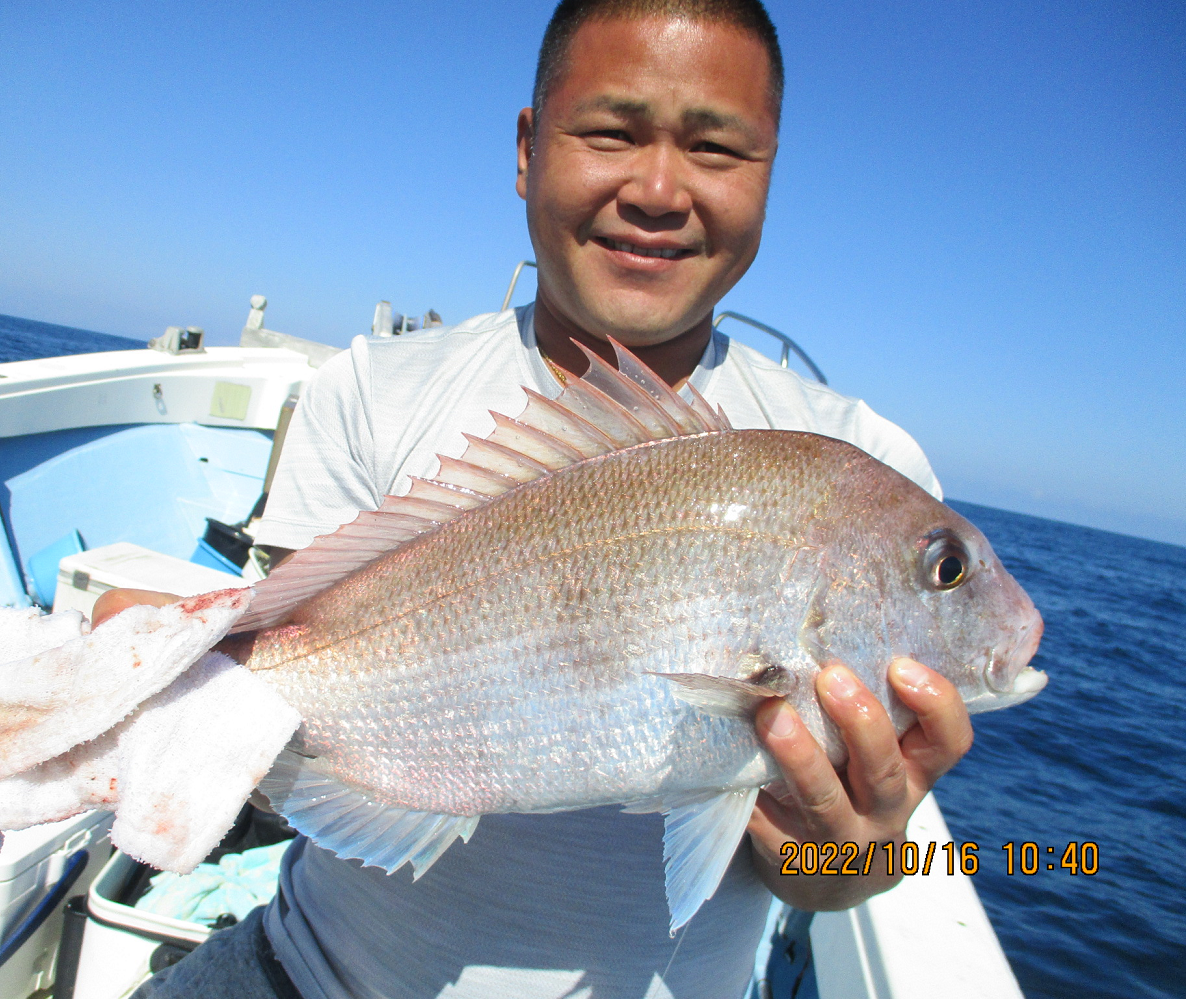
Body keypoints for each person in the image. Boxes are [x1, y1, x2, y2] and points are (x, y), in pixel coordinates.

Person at [115, 1, 975, 995]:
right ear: (528, 150)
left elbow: (839, 880)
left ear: (771, 174)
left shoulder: (867, 462)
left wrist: (846, 852)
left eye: (718, 149)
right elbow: (269, 709)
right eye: (611, 132)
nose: (657, 190)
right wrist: (151, 687)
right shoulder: (370, 391)